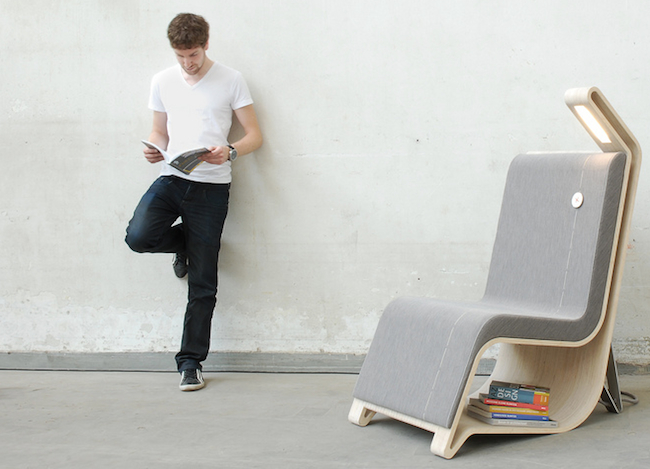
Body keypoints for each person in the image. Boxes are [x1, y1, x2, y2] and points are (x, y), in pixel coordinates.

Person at [125, 13, 263, 391]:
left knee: (203, 282)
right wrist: (154, 149)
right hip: (171, 178)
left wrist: (231, 151)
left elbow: (254, 136)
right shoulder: (162, 80)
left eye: (194, 55)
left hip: (211, 187)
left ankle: (190, 362)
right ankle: (188, 243)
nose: (187, 63)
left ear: (206, 44)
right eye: (180, 55)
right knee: (138, 236)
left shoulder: (231, 79)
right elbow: (159, 130)